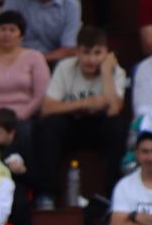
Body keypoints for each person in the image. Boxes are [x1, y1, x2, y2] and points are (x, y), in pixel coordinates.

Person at [33, 26, 128, 207]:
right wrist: (84, 103)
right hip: (72, 124)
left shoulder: (116, 71)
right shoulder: (65, 67)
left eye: (97, 53)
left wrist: (107, 72)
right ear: (77, 52)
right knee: (48, 125)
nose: (91, 59)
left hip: (99, 126)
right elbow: (46, 108)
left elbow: (114, 109)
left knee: (116, 126)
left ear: (106, 53)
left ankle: (114, 194)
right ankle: (46, 194)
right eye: (86, 53)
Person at [0, 11, 49, 128]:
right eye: (3, 29)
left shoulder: (35, 57)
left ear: (21, 35)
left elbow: (41, 95)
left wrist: (19, 116)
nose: (7, 34)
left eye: (12, 30)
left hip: (23, 116)